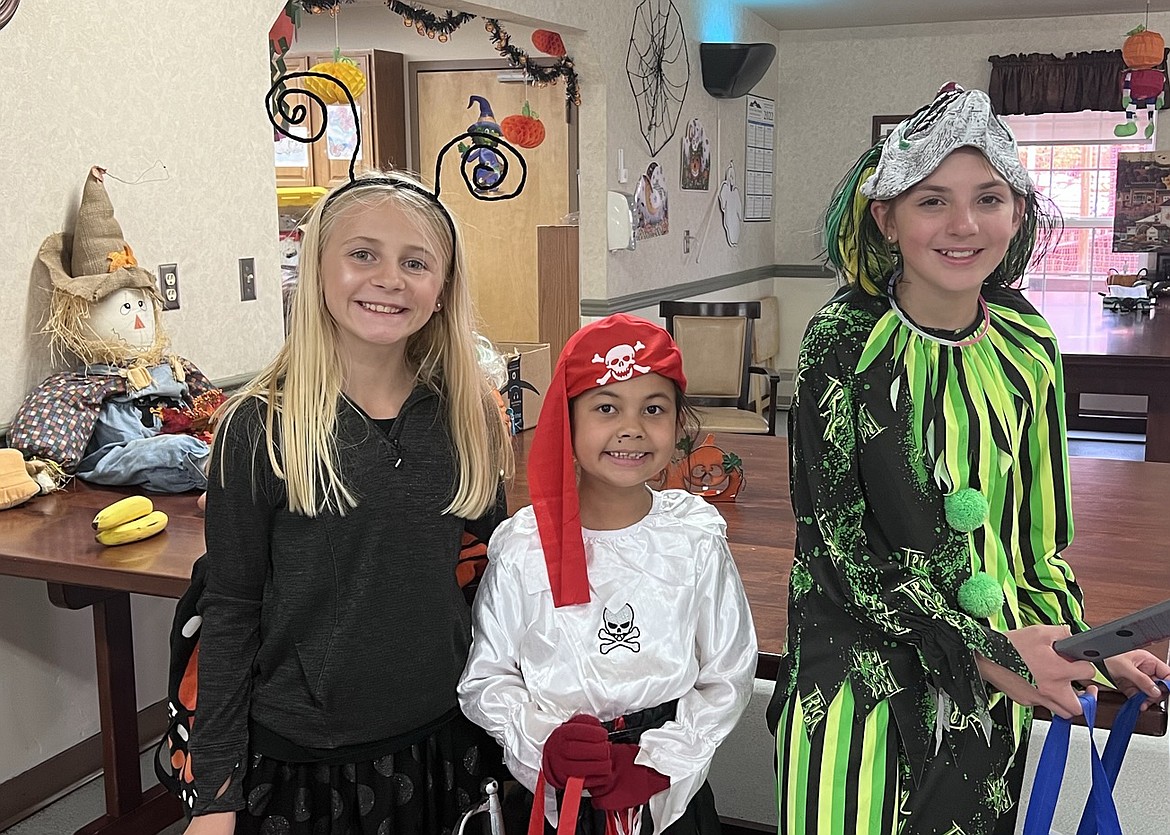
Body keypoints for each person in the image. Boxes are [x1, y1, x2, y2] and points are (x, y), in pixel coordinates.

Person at [766, 84, 1170, 835]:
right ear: (885, 217)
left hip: (989, 695)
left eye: (988, 198)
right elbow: (839, 552)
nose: (963, 224)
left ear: (1017, 211)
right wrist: (989, 651)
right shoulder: (842, 341)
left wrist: (1087, 644)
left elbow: (1034, 540)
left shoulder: (1028, 341)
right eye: (931, 201)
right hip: (860, 683)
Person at [181, 171, 514, 835]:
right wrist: (215, 791)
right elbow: (230, 609)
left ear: (442, 288)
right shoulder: (259, 425)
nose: (388, 277)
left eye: (415, 262)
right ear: (318, 269)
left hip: (444, 739)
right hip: (308, 761)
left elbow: (504, 573)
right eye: (363, 253)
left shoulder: (468, 412)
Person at [459, 314, 758, 835]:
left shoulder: (693, 540)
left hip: (669, 792)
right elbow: (486, 679)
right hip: (563, 788)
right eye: (605, 407)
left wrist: (660, 761)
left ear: (677, 423)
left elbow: (727, 674)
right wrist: (543, 743)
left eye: (654, 409)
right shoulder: (523, 547)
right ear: (565, 420)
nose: (631, 428)